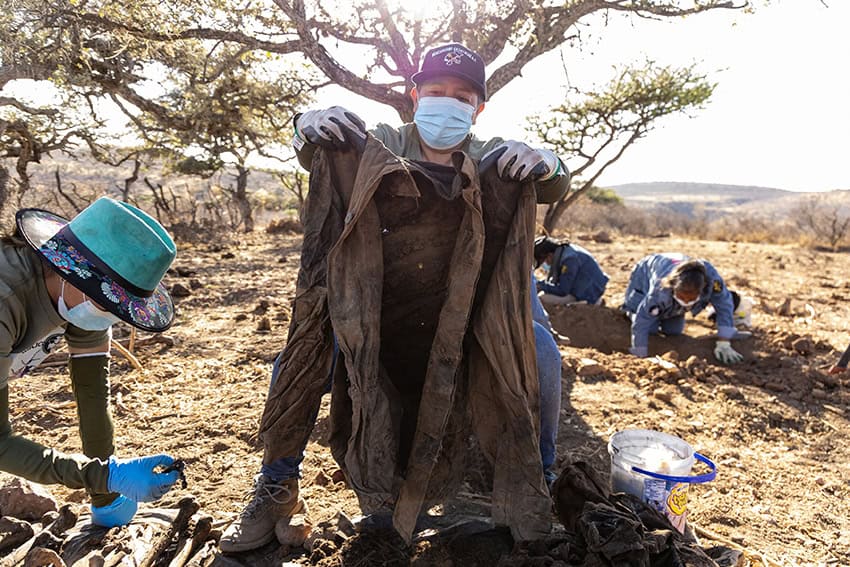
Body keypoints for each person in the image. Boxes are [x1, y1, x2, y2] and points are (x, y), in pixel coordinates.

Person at [220, 42, 570, 552]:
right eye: (435, 91)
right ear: (414, 95)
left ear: (479, 108)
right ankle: (277, 483)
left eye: (461, 95)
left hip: (466, 312)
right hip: (378, 305)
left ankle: (538, 483)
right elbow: (314, 149)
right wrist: (307, 122)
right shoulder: (383, 141)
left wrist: (547, 160)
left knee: (541, 355)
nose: (447, 102)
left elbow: (553, 184)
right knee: (303, 355)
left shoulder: (489, 155)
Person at [1, 197, 181, 528]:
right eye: (109, 304)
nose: (111, 315)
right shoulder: (5, 300)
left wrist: (105, 496)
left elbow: (92, 396)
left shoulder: (84, 302)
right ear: (69, 271)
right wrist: (105, 477)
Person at [622, 253, 744, 364]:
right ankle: (629, 313)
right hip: (646, 271)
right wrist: (640, 356)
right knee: (651, 329)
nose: (685, 301)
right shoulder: (660, 288)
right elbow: (642, 321)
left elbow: (724, 305)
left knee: (673, 331)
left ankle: (671, 312)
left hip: (676, 289)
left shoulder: (713, 281)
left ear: (702, 291)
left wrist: (724, 342)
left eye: (691, 298)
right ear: (673, 288)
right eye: (682, 297)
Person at [533, 235, 609, 306]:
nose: (545, 264)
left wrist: (541, 286)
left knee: (541, 298)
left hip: (588, 294)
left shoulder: (569, 260)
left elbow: (563, 290)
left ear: (549, 255)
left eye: (544, 260)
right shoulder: (566, 251)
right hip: (587, 289)